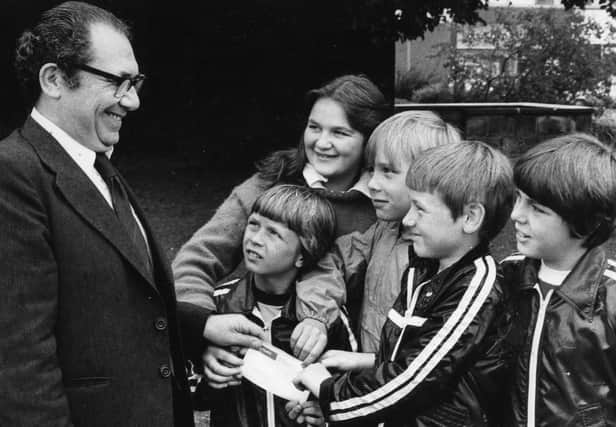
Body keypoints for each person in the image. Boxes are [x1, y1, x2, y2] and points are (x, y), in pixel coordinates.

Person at [0, 2, 251, 425]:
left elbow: (110, 301)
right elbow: (19, 361)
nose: (132, 101)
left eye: (134, 82)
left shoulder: (95, 162)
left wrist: (196, 328)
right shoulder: (14, 174)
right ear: (55, 79)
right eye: (118, 82)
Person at [291, 140, 516, 426]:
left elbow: (417, 379)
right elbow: (416, 354)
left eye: (420, 209)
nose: (407, 220)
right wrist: (363, 362)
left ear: (470, 218)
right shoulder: (423, 268)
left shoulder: (476, 287)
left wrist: (329, 391)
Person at [175, 74, 389, 364]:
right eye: (314, 128)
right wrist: (206, 329)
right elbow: (195, 261)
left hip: (346, 371)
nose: (322, 142)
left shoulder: (385, 204)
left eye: (340, 133)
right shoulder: (270, 185)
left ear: (370, 139)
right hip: (259, 361)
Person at [296, 110, 461, 357]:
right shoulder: (384, 231)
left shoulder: (444, 255)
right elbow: (333, 262)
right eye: (372, 170)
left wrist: (368, 364)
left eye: (388, 171)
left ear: (430, 179)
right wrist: (316, 317)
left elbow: (430, 356)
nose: (372, 183)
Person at [501, 133, 616, 426]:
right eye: (518, 199)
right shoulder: (507, 277)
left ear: (587, 222)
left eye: (536, 208)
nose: (516, 214)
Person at [193, 185, 356, 427]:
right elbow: (188, 393)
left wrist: (329, 413)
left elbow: (355, 393)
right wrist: (206, 369)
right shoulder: (217, 306)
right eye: (254, 224)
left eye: (274, 233)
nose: (255, 240)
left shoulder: (327, 319)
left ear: (303, 254)